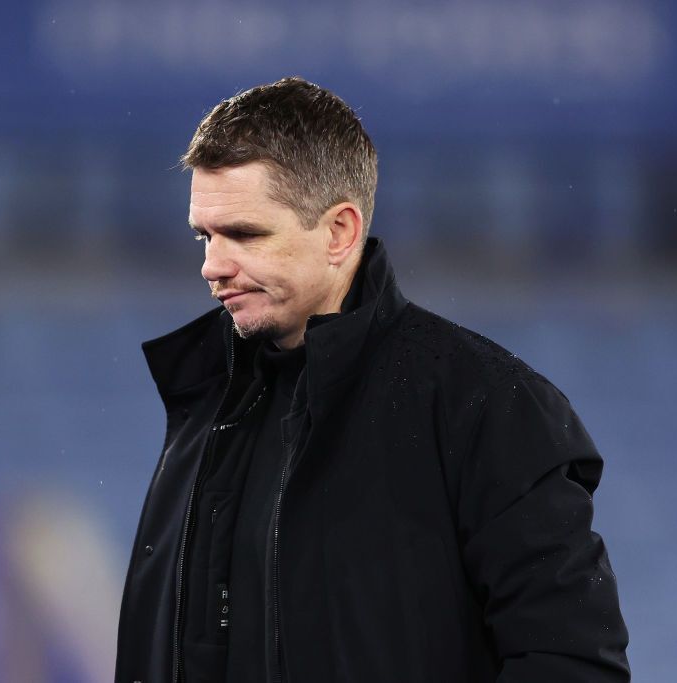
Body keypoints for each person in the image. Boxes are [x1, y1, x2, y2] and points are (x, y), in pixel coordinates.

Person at [115, 77, 629, 683]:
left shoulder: (487, 406)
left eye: (245, 235)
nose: (212, 266)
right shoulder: (206, 402)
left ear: (340, 232)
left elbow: (569, 663)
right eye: (206, 236)